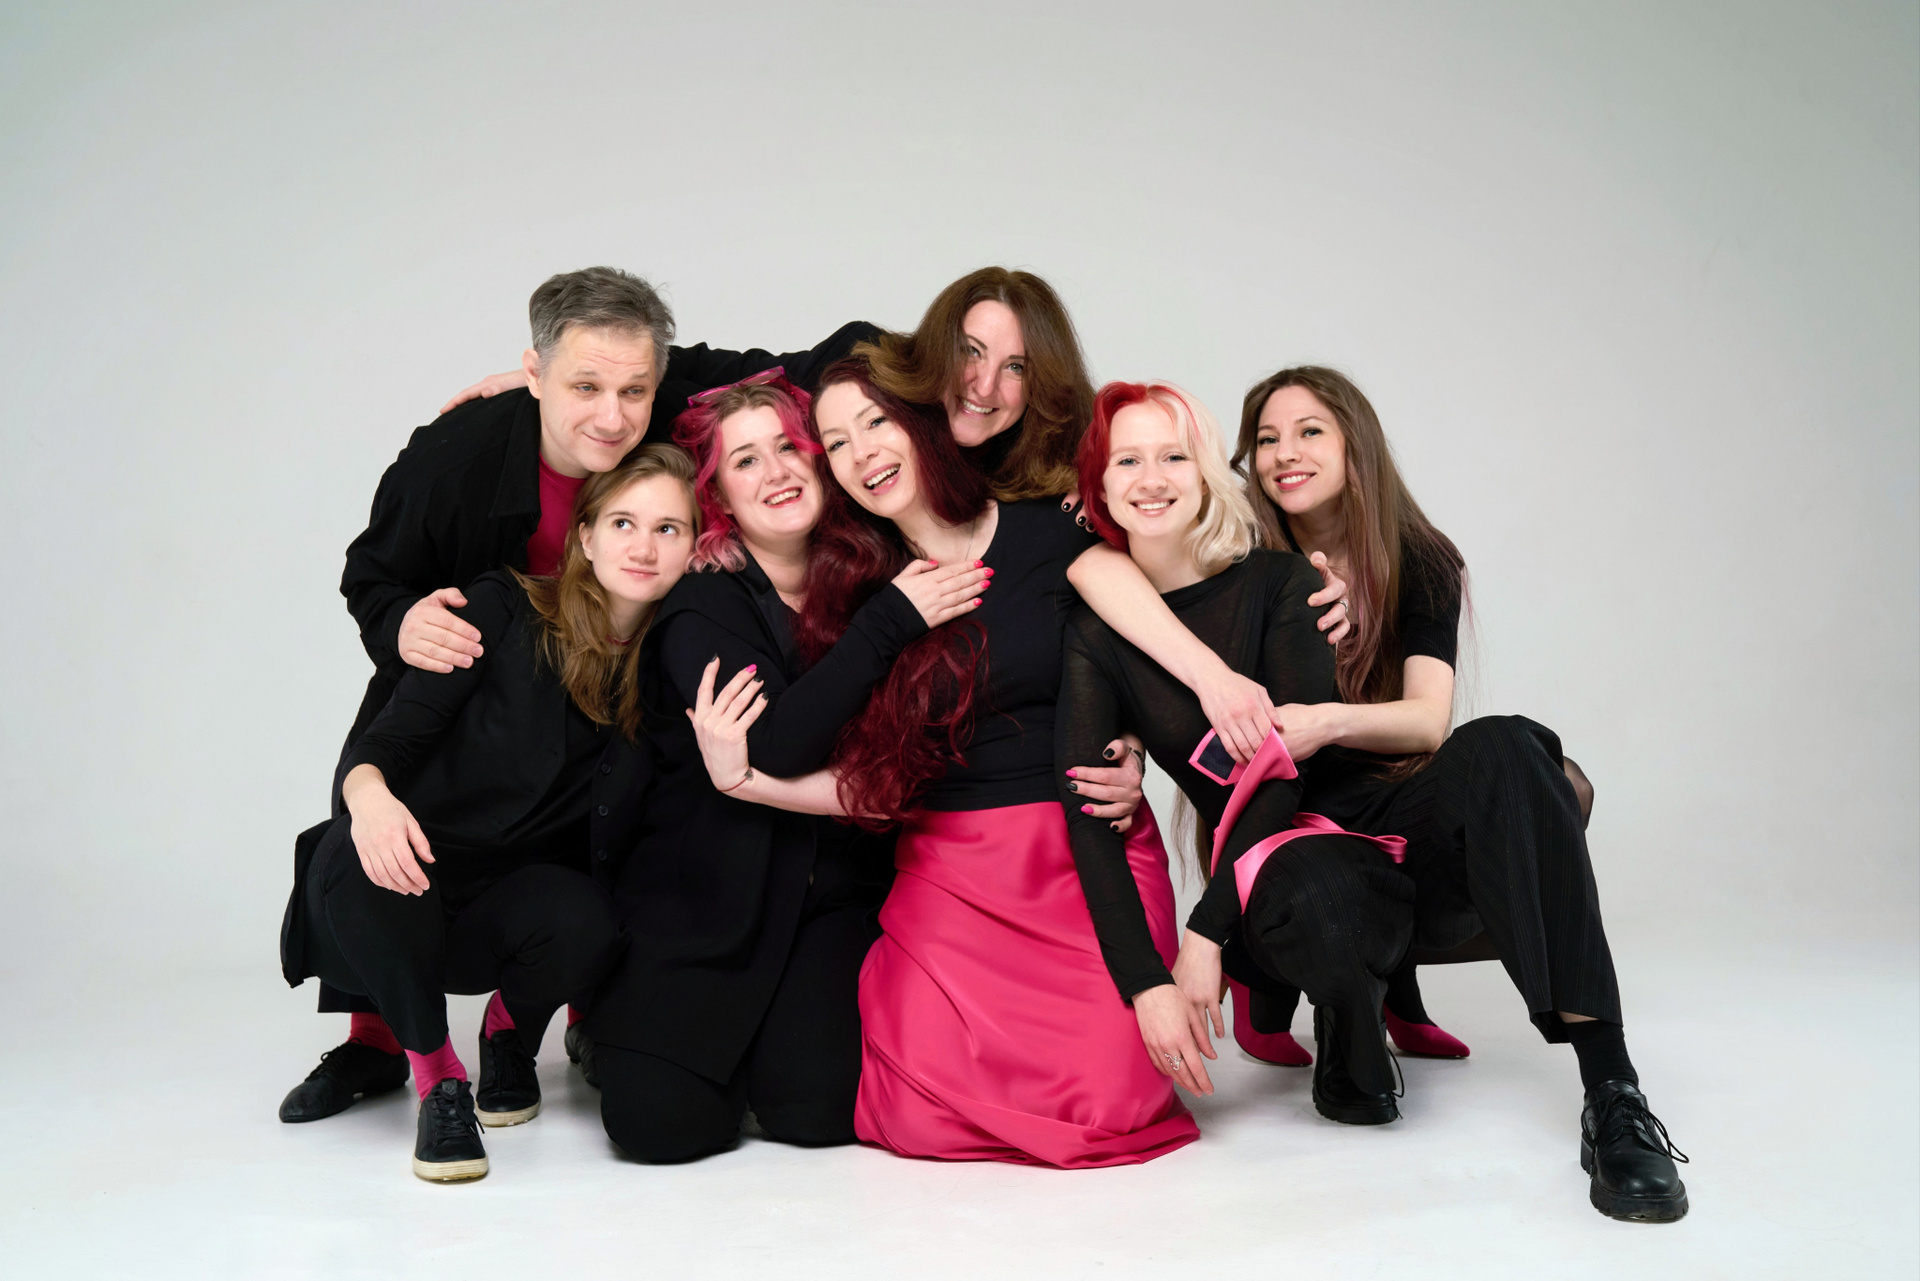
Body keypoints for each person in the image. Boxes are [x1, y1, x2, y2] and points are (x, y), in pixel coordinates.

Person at [689, 354, 1348, 1167]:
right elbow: (864, 776)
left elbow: (1158, 587)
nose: (863, 452)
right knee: (915, 1115)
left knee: (1109, 1106)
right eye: (837, 441)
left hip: (1083, 846)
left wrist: (1185, 700)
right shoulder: (857, 586)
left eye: (877, 422)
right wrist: (750, 776)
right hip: (948, 868)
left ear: (923, 422)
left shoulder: (1048, 528)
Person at [281, 265, 873, 1124]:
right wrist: (401, 621)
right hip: (484, 652)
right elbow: (372, 573)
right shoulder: (456, 456)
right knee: (397, 802)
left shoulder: (660, 407)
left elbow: (819, 359)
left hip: (617, 664)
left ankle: (576, 1010)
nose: (612, 416)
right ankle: (377, 1036)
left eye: (633, 389)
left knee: (605, 823)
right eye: (582, 387)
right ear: (535, 373)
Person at [1204, 365, 1690, 1222]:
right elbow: (1139, 565)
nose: (1284, 453)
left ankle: (1613, 1089)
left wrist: (1326, 716)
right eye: (1267, 437)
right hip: (1290, 830)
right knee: (1327, 895)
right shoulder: (1235, 551)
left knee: (1516, 752)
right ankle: (1340, 983)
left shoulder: (1418, 556)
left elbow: (1429, 721)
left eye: (1309, 431)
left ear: (1355, 445)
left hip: (1395, 810)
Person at [588, 371, 990, 1162]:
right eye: (745, 461)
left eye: (790, 447)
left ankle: (762, 1046)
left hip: (829, 897)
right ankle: (621, 1029)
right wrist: (890, 624)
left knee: (818, 1110)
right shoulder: (702, 606)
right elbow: (774, 744)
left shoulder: (873, 566)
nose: (775, 471)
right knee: (661, 1130)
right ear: (718, 497)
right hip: (705, 902)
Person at [279, 446, 701, 1181]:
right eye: (623, 522)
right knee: (357, 848)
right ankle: (438, 1079)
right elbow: (385, 742)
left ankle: (508, 1033)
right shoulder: (502, 608)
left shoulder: (672, 667)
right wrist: (368, 798)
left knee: (588, 917)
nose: (643, 546)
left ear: (697, 547)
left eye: (669, 528)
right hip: (403, 886)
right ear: (585, 536)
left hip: (507, 912)